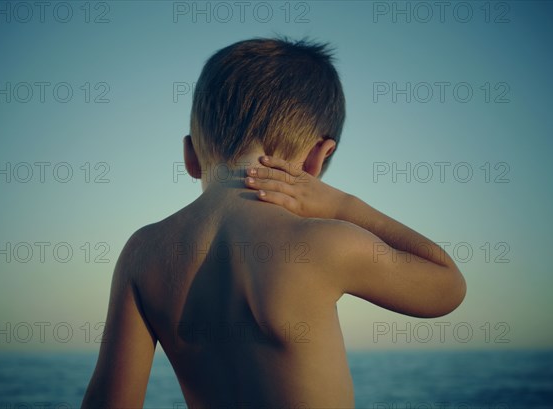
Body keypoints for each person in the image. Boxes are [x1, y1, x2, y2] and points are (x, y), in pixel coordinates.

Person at [81, 37, 466, 409]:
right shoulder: (322, 243)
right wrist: (342, 205)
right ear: (319, 156)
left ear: (190, 155)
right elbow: (447, 286)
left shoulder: (143, 252)